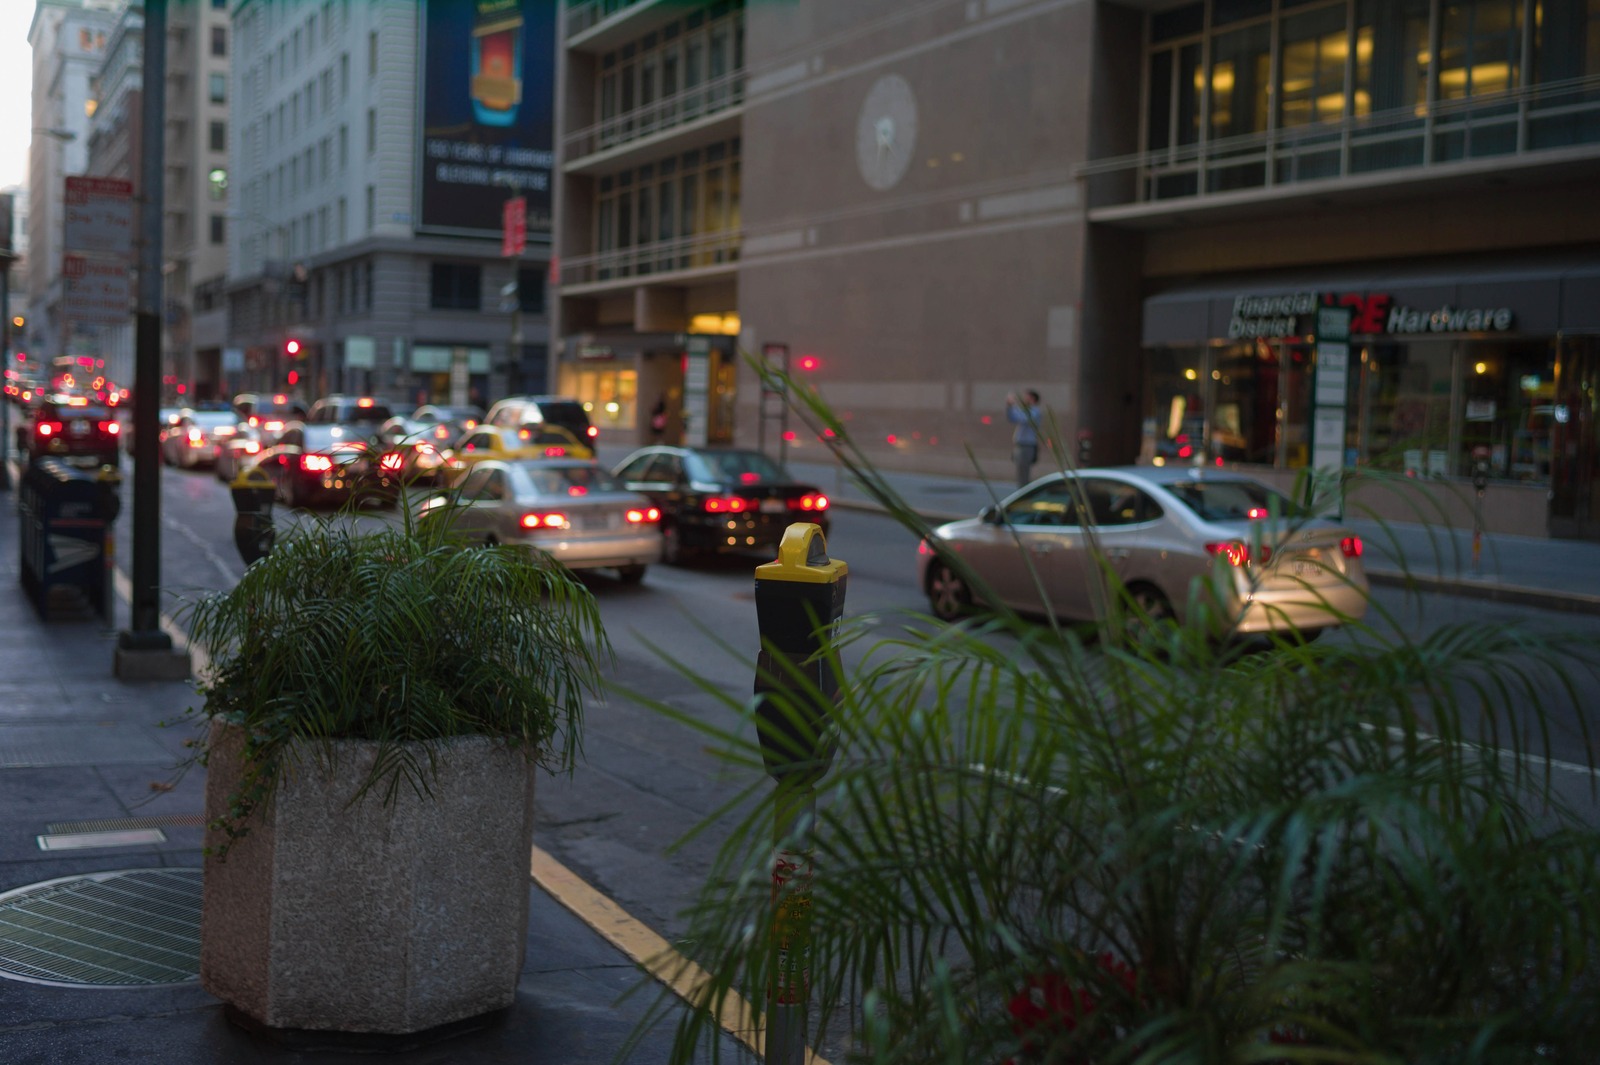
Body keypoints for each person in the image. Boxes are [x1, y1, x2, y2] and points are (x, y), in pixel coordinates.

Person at [1006, 389, 1042, 488]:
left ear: (1033, 399)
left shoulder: (1034, 411)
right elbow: (1012, 418)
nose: (1025, 399)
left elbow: (1022, 418)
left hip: (1027, 446)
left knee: (1024, 473)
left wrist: (1013, 405)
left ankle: (1024, 494)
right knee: (1020, 472)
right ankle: (1021, 491)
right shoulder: (1025, 411)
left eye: (1027, 397)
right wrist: (1009, 406)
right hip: (1020, 445)